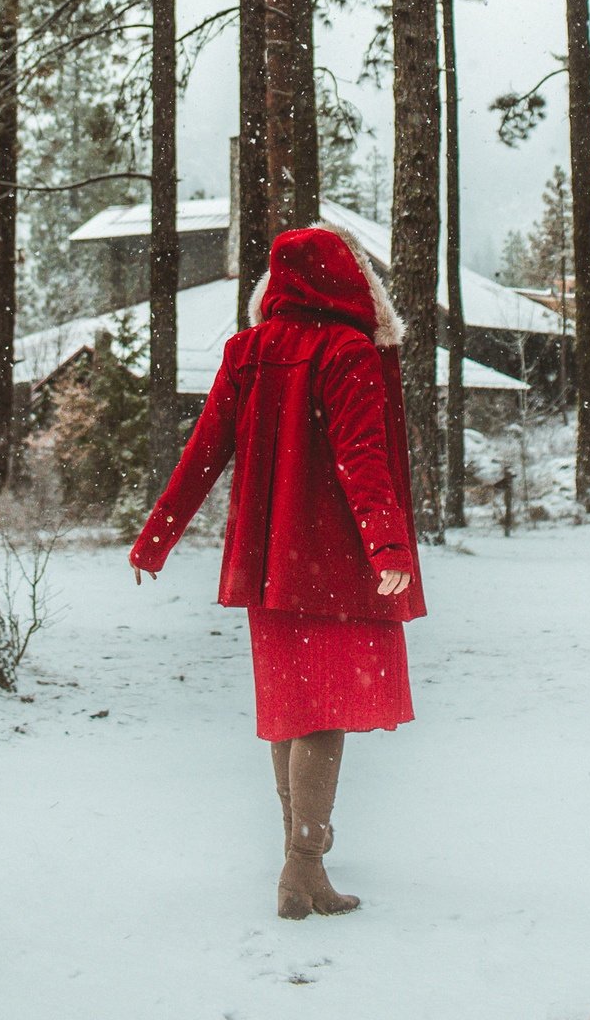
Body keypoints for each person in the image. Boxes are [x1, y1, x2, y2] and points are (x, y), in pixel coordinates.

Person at [129, 222, 426, 919]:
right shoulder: (347, 349)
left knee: (293, 710)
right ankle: (302, 866)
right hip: (334, 560)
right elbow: (363, 456)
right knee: (324, 713)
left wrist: (157, 535)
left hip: (270, 565)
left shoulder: (247, 350)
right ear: (346, 278)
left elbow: (203, 452)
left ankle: (300, 861)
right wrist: (388, 548)